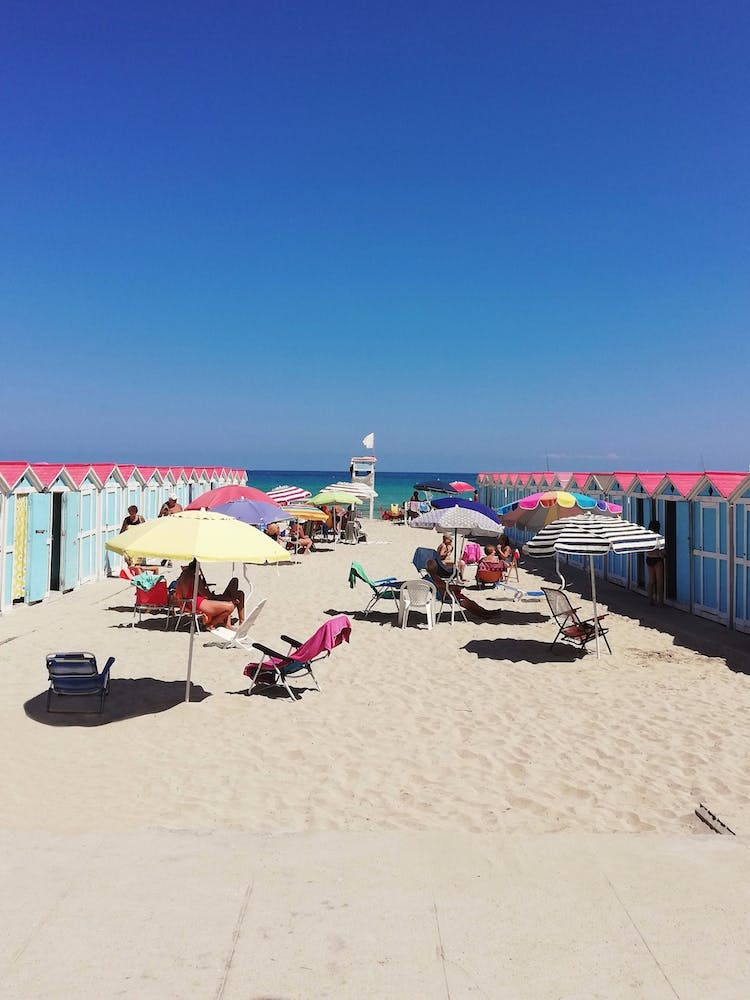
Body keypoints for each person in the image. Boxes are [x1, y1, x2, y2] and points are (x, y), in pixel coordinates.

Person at [173, 559, 245, 630]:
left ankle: (240, 621)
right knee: (230, 606)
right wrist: (224, 598)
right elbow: (207, 595)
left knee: (238, 591)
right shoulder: (194, 577)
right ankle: (210, 625)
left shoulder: (183, 575)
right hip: (198, 603)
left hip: (188, 602)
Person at [646, 519, 665, 606]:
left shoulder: (647, 537)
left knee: (651, 581)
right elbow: (661, 552)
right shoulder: (659, 537)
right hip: (657, 559)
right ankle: (660, 601)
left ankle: (650, 600)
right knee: (659, 581)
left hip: (649, 558)